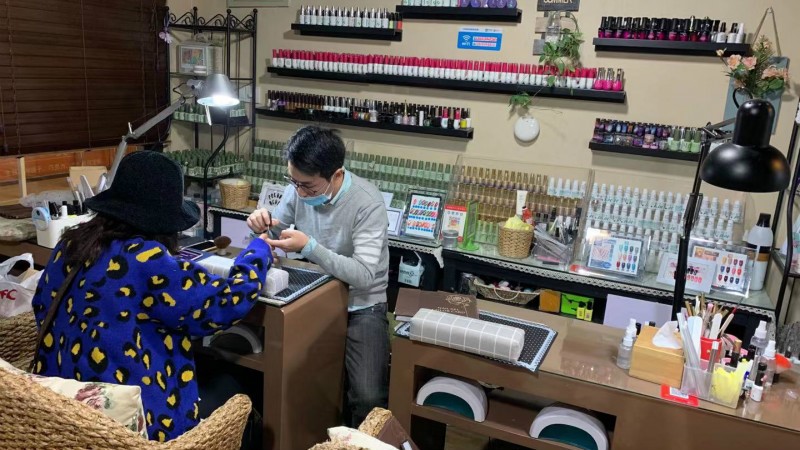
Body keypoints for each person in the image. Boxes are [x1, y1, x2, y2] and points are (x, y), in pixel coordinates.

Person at [31, 151, 272, 442]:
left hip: (63, 407)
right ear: (164, 220)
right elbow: (228, 301)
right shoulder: (148, 260)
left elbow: (41, 305)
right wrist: (258, 250)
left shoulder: (71, 243)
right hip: (130, 424)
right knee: (237, 386)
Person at [247, 126, 389, 426]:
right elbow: (275, 230)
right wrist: (261, 224)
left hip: (362, 305)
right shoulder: (297, 188)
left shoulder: (368, 203)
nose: (299, 192)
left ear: (336, 175)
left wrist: (310, 247)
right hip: (314, 296)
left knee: (368, 396)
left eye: (308, 187)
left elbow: (364, 275)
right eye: (294, 182)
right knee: (296, 378)